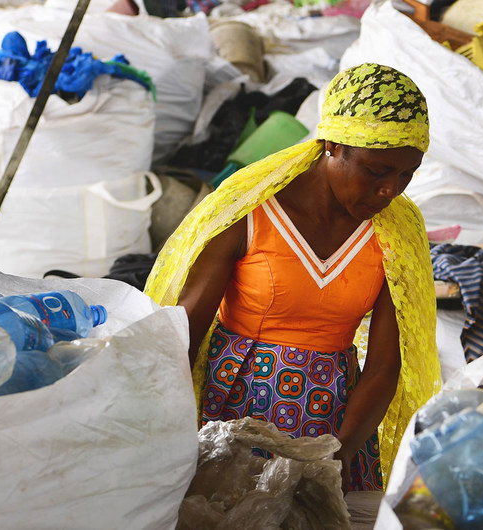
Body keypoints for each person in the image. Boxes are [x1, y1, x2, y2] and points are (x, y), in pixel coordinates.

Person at [144, 63, 441, 491]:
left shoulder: (395, 231)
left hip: (335, 421)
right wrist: (159, 435)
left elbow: (382, 367)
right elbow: (185, 331)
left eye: (406, 174)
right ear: (332, 146)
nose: (390, 190)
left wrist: (330, 460)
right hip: (237, 409)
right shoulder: (249, 210)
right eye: (377, 171)